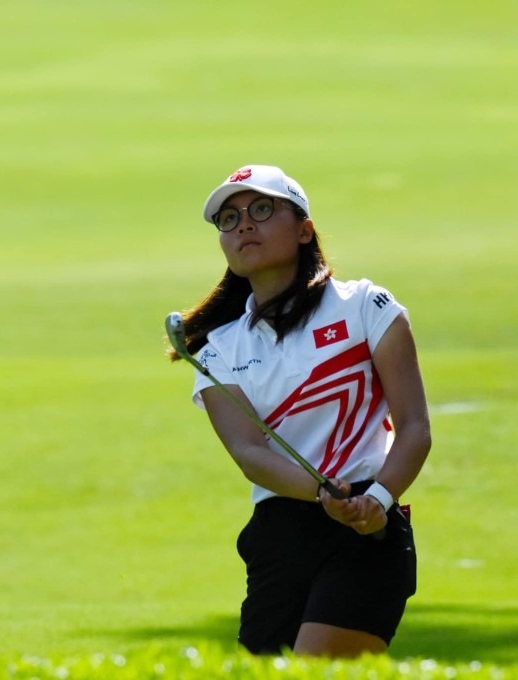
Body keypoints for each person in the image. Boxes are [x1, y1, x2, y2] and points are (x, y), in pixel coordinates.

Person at [169, 165, 431, 658]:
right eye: (229, 218)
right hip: (277, 539)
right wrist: (318, 491)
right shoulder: (217, 351)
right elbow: (249, 453)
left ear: (304, 229)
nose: (244, 225)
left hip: (364, 529)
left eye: (262, 210)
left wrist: (378, 497)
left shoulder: (367, 307)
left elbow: (415, 427)